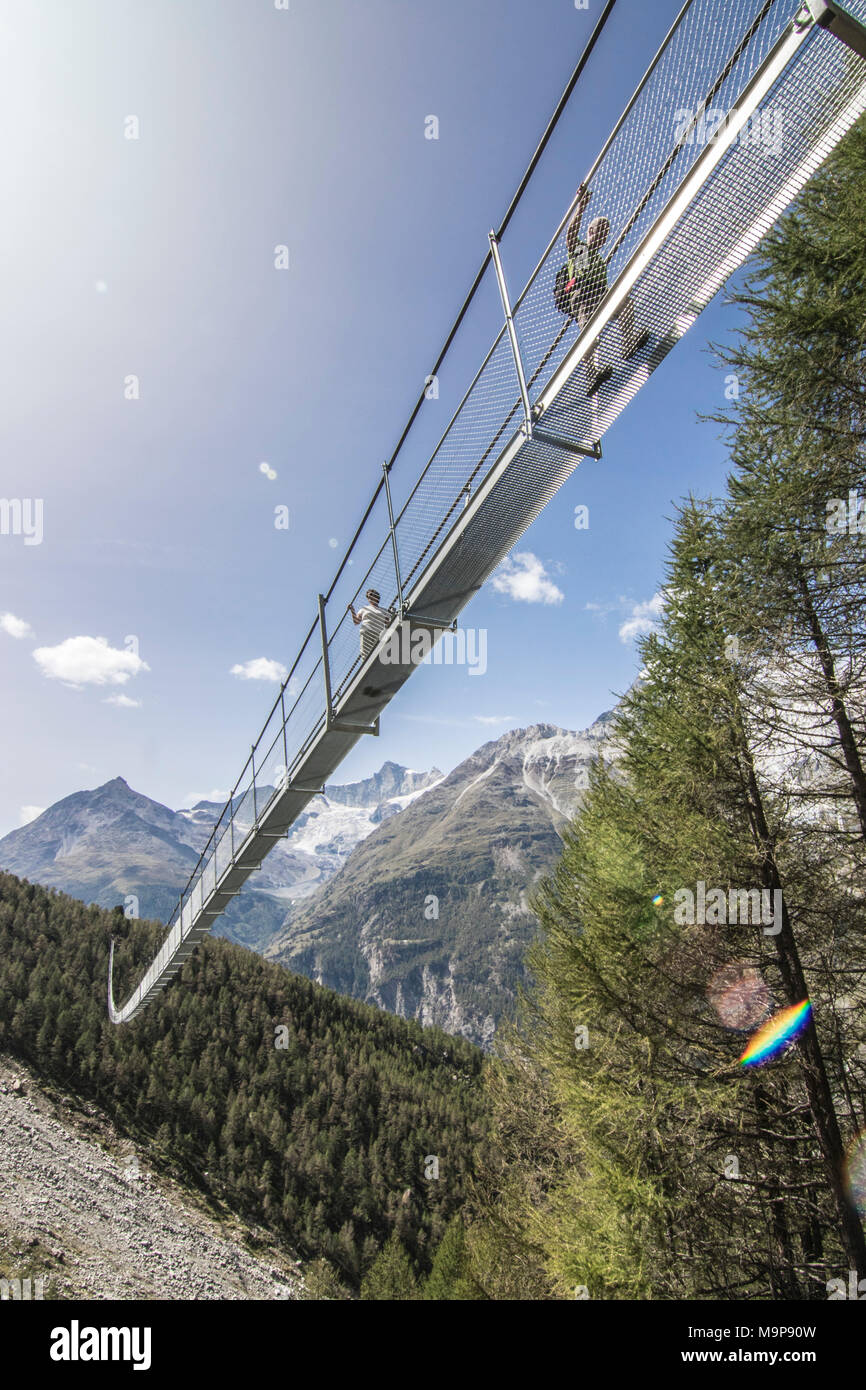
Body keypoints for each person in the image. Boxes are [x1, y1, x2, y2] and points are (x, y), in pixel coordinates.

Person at [564, 183, 649, 396]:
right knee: (589, 335)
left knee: (625, 302)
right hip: (583, 297)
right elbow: (570, 234)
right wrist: (580, 206)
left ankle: (628, 343)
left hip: (600, 295)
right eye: (601, 231)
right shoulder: (580, 248)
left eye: (606, 234)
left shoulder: (600, 261)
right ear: (591, 231)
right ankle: (591, 377)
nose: (603, 237)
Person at [348, 589, 395, 660]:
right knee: (366, 655)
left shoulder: (383, 610)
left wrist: (393, 615)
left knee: (378, 654)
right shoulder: (364, 609)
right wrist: (352, 610)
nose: (369, 598)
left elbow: (388, 622)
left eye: (371, 595)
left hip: (378, 633)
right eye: (368, 597)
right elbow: (356, 621)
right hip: (366, 632)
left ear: (376, 597)